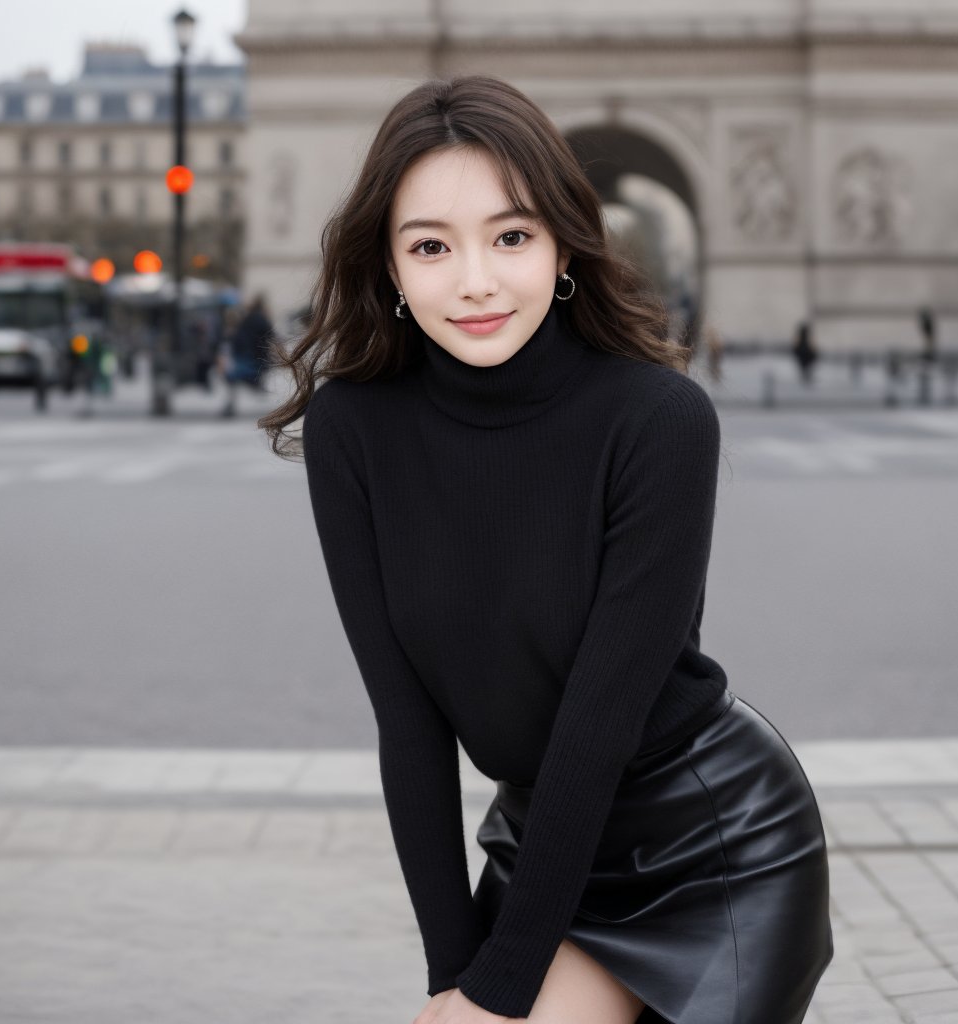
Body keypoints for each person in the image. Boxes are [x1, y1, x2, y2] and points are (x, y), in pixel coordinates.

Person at [259, 75, 832, 1024]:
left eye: (511, 237)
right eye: (432, 246)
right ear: (390, 267)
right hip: (544, 833)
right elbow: (408, 729)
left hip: (712, 840)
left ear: (565, 244)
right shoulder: (352, 431)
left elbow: (599, 724)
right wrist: (453, 976)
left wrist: (498, 988)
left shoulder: (660, 419)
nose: (476, 279)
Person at [221, 294, 275, 418]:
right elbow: (272, 336)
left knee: (231, 377)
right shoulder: (261, 319)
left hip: (250, 358)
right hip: (255, 359)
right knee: (233, 377)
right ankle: (256, 385)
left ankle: (231, 405)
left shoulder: (247, 319)